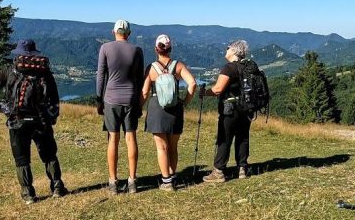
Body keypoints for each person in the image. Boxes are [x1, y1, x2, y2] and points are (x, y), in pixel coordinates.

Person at [0, 39, 68, 204]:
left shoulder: (9, 71)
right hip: (41, 120)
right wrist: (53, 117)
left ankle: (28, 194)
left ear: (18, 53)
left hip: (17, 120)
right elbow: (54, 98)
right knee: (49, 154)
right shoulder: (44, 72)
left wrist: (1, 108)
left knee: (22, 158)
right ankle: (57, 187)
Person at [141, 35, 197, 191]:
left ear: (156, 49)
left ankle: (166, 182)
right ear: (170, 49)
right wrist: (184, 102)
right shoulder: (178, 66)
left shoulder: (151, 68)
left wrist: (139, 108)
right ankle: (172, 177)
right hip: (175, 109)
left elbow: (145, 92)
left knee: (161, 147)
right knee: (173, 146)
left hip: (156, 109)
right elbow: (192, 84)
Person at [96, 19, 145, 194]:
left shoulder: (105, 48)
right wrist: (139, 103)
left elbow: (101, 75)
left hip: (111, 99)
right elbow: (140, 79)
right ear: (129, 33)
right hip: (131, 98)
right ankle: (132, 181)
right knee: (131, 138)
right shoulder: (137, 50)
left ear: (113, 32)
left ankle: (113, 182)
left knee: (113, 138)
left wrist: (98, 100)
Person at [201, 40, 253, 182]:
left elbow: (218, 89)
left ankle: (219, 172)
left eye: (228, 48)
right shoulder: (248, 67)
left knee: (224, 138)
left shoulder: (229, 68)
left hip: (230, 109)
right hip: (246, 108)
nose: (226, 49)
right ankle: (242, 168)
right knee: (243, 137)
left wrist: (204, 93)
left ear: (234, 51)